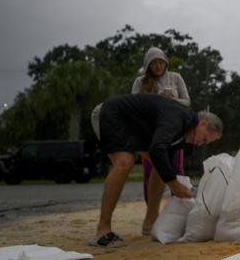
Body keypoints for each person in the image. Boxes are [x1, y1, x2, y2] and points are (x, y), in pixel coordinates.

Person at [89, 94, 223, 247]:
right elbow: (157, 149)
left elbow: (164, 162)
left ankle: (150, 222)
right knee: (124, 163)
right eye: (204, 139)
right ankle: (103, 230)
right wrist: (174, 185)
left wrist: (178, 186)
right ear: (202, 123)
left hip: (136, 127)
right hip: (111, 113)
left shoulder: (185, 135)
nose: (200, 144)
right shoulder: (178, 118)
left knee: (161, 166)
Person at [132, 47, 190, 202]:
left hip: (174, 133)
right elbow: (133, 107)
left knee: (177, 170)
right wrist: (157, 99)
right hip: (149, 135)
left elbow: (187, 102)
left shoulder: (176, 77)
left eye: (161, 62)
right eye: (153, 63)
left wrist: (172, 100)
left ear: (166, 63)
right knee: (151, 171)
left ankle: (179, 207)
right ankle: (152, 211)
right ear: (147, 65)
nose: (158, 66)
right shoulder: (140, 81)